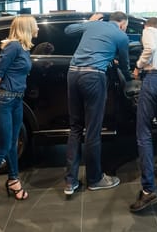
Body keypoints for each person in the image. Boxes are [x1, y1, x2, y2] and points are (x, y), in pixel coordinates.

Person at [63, 11, 131, 197]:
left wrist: (89, 21)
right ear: (123, 24)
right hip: (93, 76)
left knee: (75, 127)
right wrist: (130, 75)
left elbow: (68, 30)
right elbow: (125, 64)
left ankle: (70, 181)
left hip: (73, 73)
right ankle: (94, 179)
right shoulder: (121, 35)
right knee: (93, 129)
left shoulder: (94, 25)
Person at [0, 15, 39, 207]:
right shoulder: (14, 47)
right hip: (3, 100)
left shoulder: (23, 47)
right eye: (35, 26)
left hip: (16, 100)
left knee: (12, 144)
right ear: (27, 28)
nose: (38, 29)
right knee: (2, 148)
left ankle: (13, 180)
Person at [129, 17, 157, 213]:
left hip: (153, 80)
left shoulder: (148, 32)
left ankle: (149, 190)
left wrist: (138, 66)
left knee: (144, 133)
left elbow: (150, 49)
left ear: (147, 26)